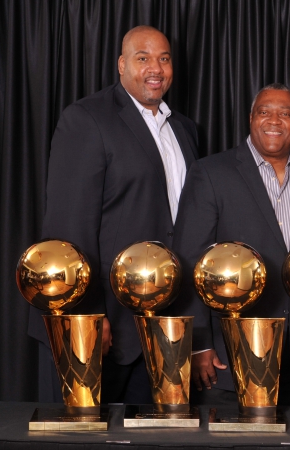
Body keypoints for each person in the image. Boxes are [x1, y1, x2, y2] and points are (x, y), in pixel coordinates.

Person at [28, 25, 199, 404]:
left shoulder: (184, 130)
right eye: (143, 58)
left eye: (164, 59)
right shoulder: (87, 119)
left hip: (162, 328)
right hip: (101, 326)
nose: (156, 68)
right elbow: (67, 228)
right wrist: (87, 315)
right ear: (122, 65)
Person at [167, 83, 290, 406]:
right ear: (250, 119)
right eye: (264, 112)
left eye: (285, 113)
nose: (274, 120)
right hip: (231, 360)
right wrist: (199, 344)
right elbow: (189, 262)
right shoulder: (211, 173)